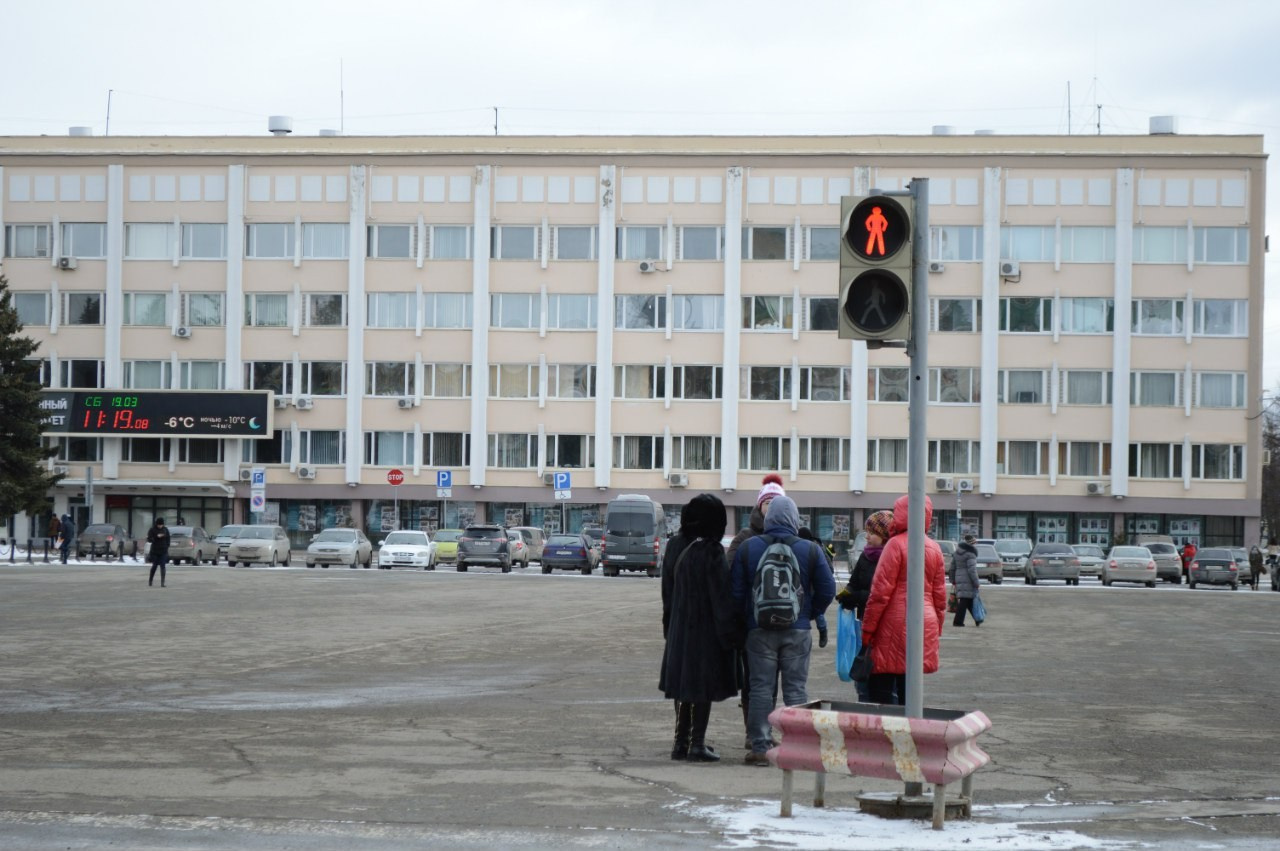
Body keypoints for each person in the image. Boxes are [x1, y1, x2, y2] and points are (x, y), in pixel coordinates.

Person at [731, 495, 836, 766]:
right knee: (796, 689)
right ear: (794, 519)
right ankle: (797, 747)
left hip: (759, 630)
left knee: (760, 689)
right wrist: (808, 614)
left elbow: (736, 592)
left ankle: (760, 747)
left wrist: (748, 619)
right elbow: (827, 589)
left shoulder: (748, 547)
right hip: (797, 630)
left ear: (768, 518)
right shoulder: (810, 549)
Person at [659, 493, 742, 763]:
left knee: (683, 682)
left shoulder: (674, 546)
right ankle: (697, 744)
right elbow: (721, 598)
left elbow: (667, 592)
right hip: (705, 631)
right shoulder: (712, 550)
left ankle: (679, 742)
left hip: (678, 627)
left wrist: (669, 626)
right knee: (701, 685)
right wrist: (731, 634)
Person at [861, 494, 947, 706]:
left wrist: (867, 630)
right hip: (924, 621)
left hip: (893, 623)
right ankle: (910, 733)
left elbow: (880, 593)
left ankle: (884, 734)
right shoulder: (935, 548)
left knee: (881, 688)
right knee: (910, 690)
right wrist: (937, 628)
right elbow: (940, 596)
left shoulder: (895, 545)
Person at [724, 473, 787, 747]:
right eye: (767, 501)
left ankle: (765, 732)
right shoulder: (745, 538)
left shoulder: (792, 537)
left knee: (772, 681)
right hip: (752, 622)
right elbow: (730, 575)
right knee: (754, 681)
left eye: (776, 501)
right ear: (759, 505)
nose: (770, 506)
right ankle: (754, 733)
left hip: (784, 621)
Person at [836, 510, 892, 701]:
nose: (867, 537)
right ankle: (864, 702)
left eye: (872, 533)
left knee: (878, 674)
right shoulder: (866, 556)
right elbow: (854, 583)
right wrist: (844, 595)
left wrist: (858, 597)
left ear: (885, 536)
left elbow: (886, 595)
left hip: (884, 626)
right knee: (862, 673)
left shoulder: (892, 558)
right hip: (862, 623)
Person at [797, 527, 830, 648]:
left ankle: (823, 631)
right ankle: (821, 631)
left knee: (817, 611)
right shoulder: (808, 546)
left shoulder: (816, 548)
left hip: (815, 585)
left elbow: (828, 569)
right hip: (804, 584)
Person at [951, 534, 981, 627]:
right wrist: (976, 582)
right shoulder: (971, 554)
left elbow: (952, 567)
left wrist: (953, 579)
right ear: (971, 544)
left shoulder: (956, 553)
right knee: (965, 600)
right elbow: (972, 570)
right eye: (974, 543)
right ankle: (958, 621)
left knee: (968, 600)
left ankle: (978, 619)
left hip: (959, 578)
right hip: (967, 579)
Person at [146, 517, 171, 587]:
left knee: (163, 566)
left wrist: (167, 545)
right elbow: (149, 539)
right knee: (155, 566)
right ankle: (150, 580)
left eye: (161, 525)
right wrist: (156, 537)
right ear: (156, 524)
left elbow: (168, 538)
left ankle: (162, 583)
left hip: (163, 551)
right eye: (159, 525)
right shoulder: (152, 530)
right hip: (155, 551)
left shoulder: (165, 530)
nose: (160, 526)